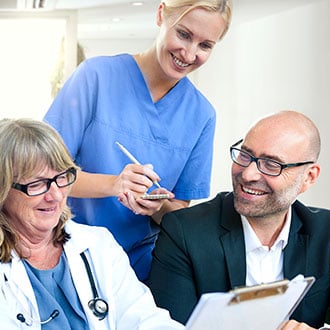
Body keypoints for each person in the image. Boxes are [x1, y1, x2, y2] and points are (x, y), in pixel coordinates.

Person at [43, 0, 232, 282]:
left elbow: (178, 213)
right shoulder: (95, 77)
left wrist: (157, 206)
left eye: (205, 46)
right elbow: (42, 174)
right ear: (160, 15)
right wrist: (114, 184)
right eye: (183, 34)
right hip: (67, 251)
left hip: (139, 268)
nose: (189, 53)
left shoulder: (202, 115)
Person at [148, 110, 330, 329]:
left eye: (272, 164)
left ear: (308, 177)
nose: (248, 174)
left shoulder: (326, 233)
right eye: (245, 155)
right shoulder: (184, 232)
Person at [0, 118, 184, 329]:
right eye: (36, 184)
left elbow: (145, 319)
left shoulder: (99, 245)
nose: (54, 196)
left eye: (61, 178)